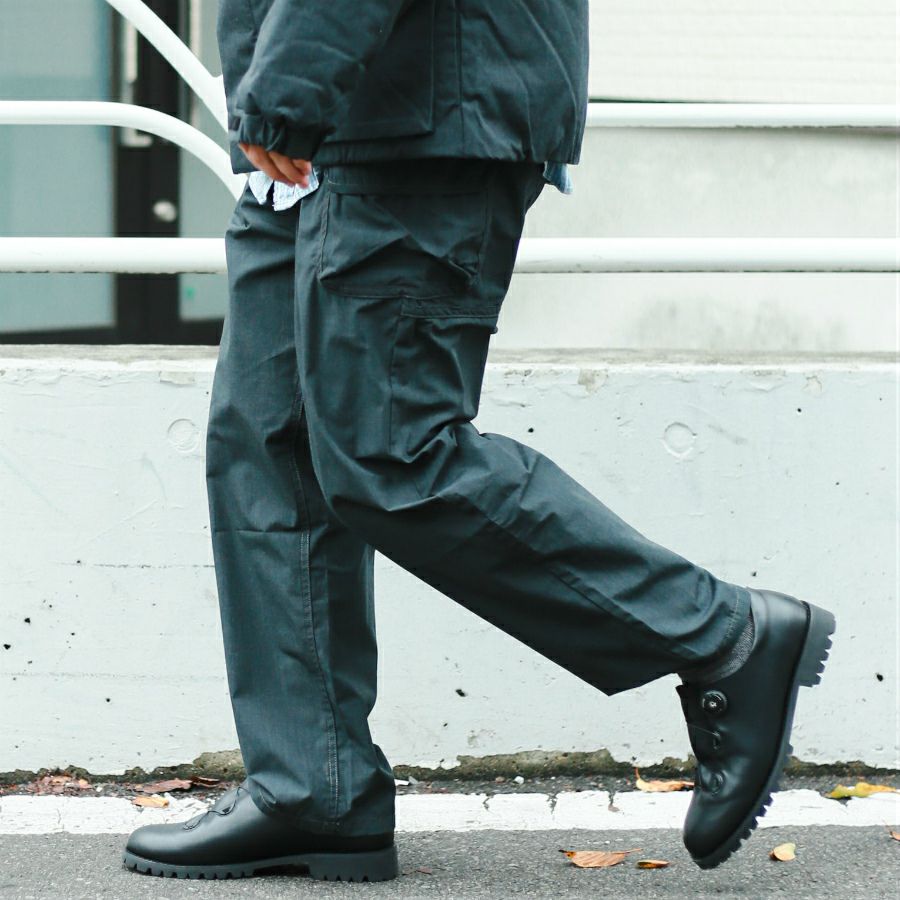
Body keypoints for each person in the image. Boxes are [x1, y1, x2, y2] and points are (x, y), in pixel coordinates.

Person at [122, 0, 836, 882]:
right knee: (268, 452)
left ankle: (720, 634)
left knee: (394, 453)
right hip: (320, 126)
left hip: (407, 106)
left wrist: (292, 84)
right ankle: (312, 787)